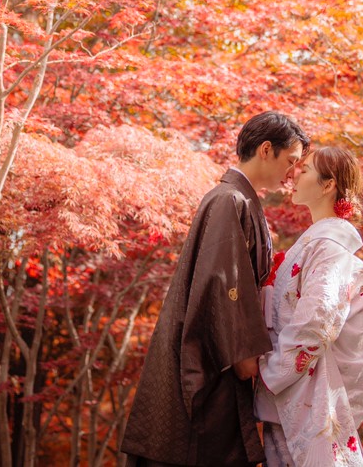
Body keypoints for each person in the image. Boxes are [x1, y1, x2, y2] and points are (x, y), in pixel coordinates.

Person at [121, 111, 309, 467]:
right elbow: (222, 282)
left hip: (218, 352)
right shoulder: (228, 199)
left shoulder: (238, 199)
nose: (293, 172)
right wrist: (242, 354)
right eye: (291, 160)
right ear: (266, 150)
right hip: (212, 357)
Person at [256, 146, 363, 467]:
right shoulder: (317, 244)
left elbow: (317, 323)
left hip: (301, 395)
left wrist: (268, 374)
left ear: (328, 185)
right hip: (294, 394)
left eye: (307, 169)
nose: (295, 173)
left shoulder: (328, 248)